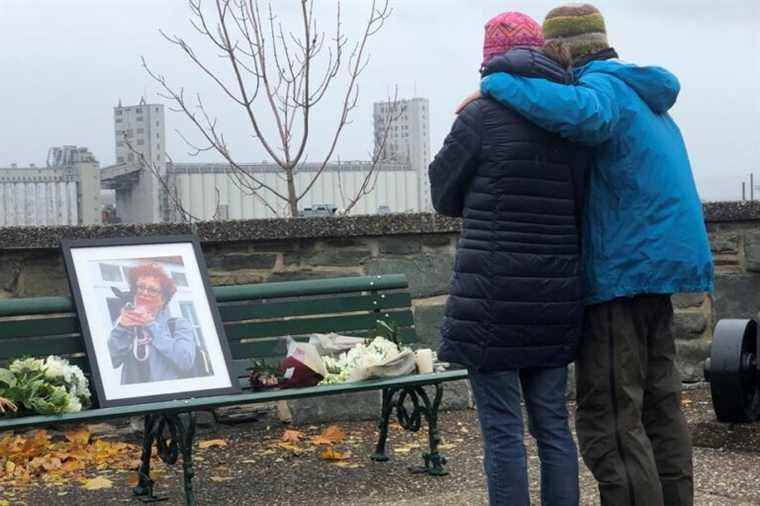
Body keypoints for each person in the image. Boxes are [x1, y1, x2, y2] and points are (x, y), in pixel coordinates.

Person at [458, 4, 714, 506]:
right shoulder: (644, 93)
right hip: (660, 270)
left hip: (622, 272)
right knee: (660, 407)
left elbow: (587, 116)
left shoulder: (602, 89)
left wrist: (497, 86)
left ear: (562, 50)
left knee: (611, 418)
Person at [429, 12, 582, 506]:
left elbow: (443, 194)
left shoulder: (479, 116)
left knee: (502, 431)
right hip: (556, 294)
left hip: (492, 299)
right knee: (554, 426)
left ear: (489, 62)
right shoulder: (570, 118)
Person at [108, 263, 199, 384]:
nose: (144, 293)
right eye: (140, 287)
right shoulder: (124, 323)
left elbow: (185, 361)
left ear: (163, 300)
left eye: (152, 290)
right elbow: (111, 362)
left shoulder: (179, 325)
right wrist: (121, 327)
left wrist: (151, 325)